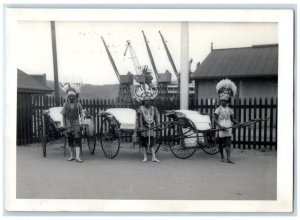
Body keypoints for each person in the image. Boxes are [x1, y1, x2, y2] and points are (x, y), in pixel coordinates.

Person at [214, 79, 239, 164]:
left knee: (228, 143)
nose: (223, 102)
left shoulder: (230, 110)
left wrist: (237, 122)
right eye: (222, 100)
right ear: (220, 101)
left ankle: (228, 158)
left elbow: (232, 119)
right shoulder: (218, 109)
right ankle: (222, 156)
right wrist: (220, 127)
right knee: (221, 144)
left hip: (228, 127)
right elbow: (214, 120)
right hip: (221, 127)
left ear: (227, 101)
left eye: (225, 100)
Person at [60, 83, 84, 162]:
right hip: (68, 124)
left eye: (72, 96)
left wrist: (82, 122)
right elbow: (63, 115)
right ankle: (72, 156)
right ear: (67, 97)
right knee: (70, 139)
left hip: (76, 124)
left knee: (77, 139)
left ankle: (77, 156)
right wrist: (63, 124)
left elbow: (82, 114)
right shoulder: (65, 105)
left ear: (75, 97)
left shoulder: (78, 104)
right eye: (69, 96)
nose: (71, 98)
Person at [137, 95, 160, 162]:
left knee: (152, 141)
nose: (147, 102)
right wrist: (141, 127)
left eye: (148, 100)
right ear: (144, 101)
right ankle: (145, 157)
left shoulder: (153, 108)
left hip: (151, 127)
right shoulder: (141, 108)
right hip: (144, 127)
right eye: (146, 100)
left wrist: (158, 126)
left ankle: (153, 157)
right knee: (144, 142)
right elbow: (140, 118)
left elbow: (156, 117)